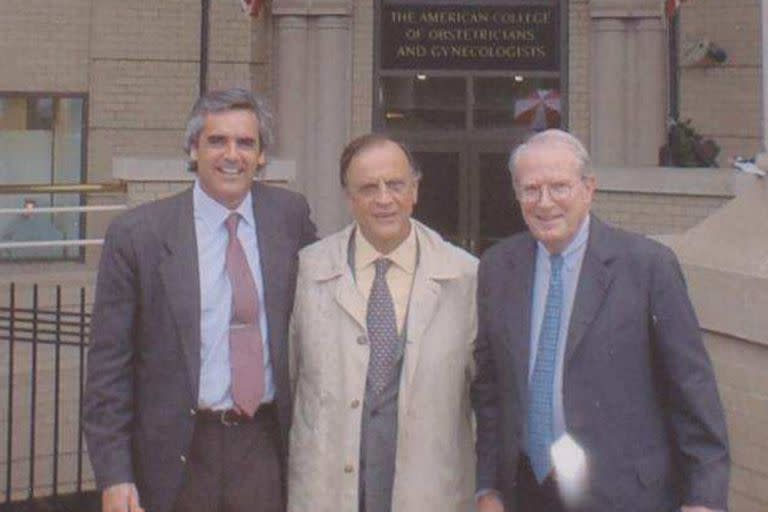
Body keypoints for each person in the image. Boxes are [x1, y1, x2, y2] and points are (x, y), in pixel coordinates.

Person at [84, 88, 317, 512]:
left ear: (262, 155)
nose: (233, 155)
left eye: (246, 143)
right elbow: (108, 368)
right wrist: (115, 475)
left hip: (262, 445)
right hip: (177, 453)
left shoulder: (289, 217)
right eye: (217, 141)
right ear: (193, 148)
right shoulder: (139, 236)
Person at [472, 129, 729, 512]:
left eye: (559, 186)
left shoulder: (648, 266)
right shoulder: (498, 267)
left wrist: (703, 498)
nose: (545, 203)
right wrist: (488, 487)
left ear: (589, 188)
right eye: (530, 189)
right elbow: (491, 389)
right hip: (527, 490)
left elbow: (691, 388)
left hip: (626, 494)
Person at [287, 134, 478, 512]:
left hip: (430, 492)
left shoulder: (465, 277)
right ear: (349, 197)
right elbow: (290, 378)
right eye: (368, 188)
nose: (384, 199)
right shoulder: (308, 270)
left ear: (415, 189)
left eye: (395, 185)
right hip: (328, 490)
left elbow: (483, 401)